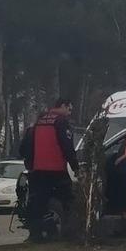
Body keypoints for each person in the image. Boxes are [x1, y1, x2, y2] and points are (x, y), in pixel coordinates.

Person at [20, 99, 78, 243]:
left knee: (38, 203)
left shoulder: (38, 122)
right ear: (63, 106)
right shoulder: (61, 122)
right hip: (57, 170)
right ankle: (69, 234)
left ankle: (35, 234)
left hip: (37, 171)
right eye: (69, 109)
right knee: (69, 201)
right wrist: (75, 167)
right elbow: (67, 147)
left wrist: (31, 163)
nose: (69, 113)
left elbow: (24, 147)